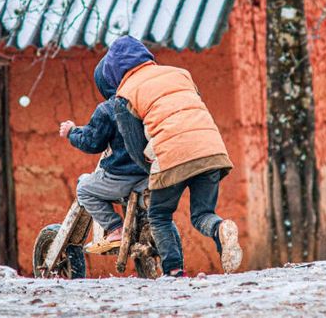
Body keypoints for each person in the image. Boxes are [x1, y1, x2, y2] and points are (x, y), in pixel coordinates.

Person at [102, 35, 243, 276]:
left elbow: (135, 145)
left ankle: (174, 271)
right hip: (211, 149)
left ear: (114, 71)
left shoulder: (124, 94)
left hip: (172, 154)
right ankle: (220, 228)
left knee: (159, 215)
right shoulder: (180, 73)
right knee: (202, 215)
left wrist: (150, 170)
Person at [59, 55, 148, 254]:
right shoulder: (145, 101)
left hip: (121, 177)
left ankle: (115, 228)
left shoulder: (107, 109)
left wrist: (72, 132)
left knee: (85, 188)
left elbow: (92, 142)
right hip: (148, 175)